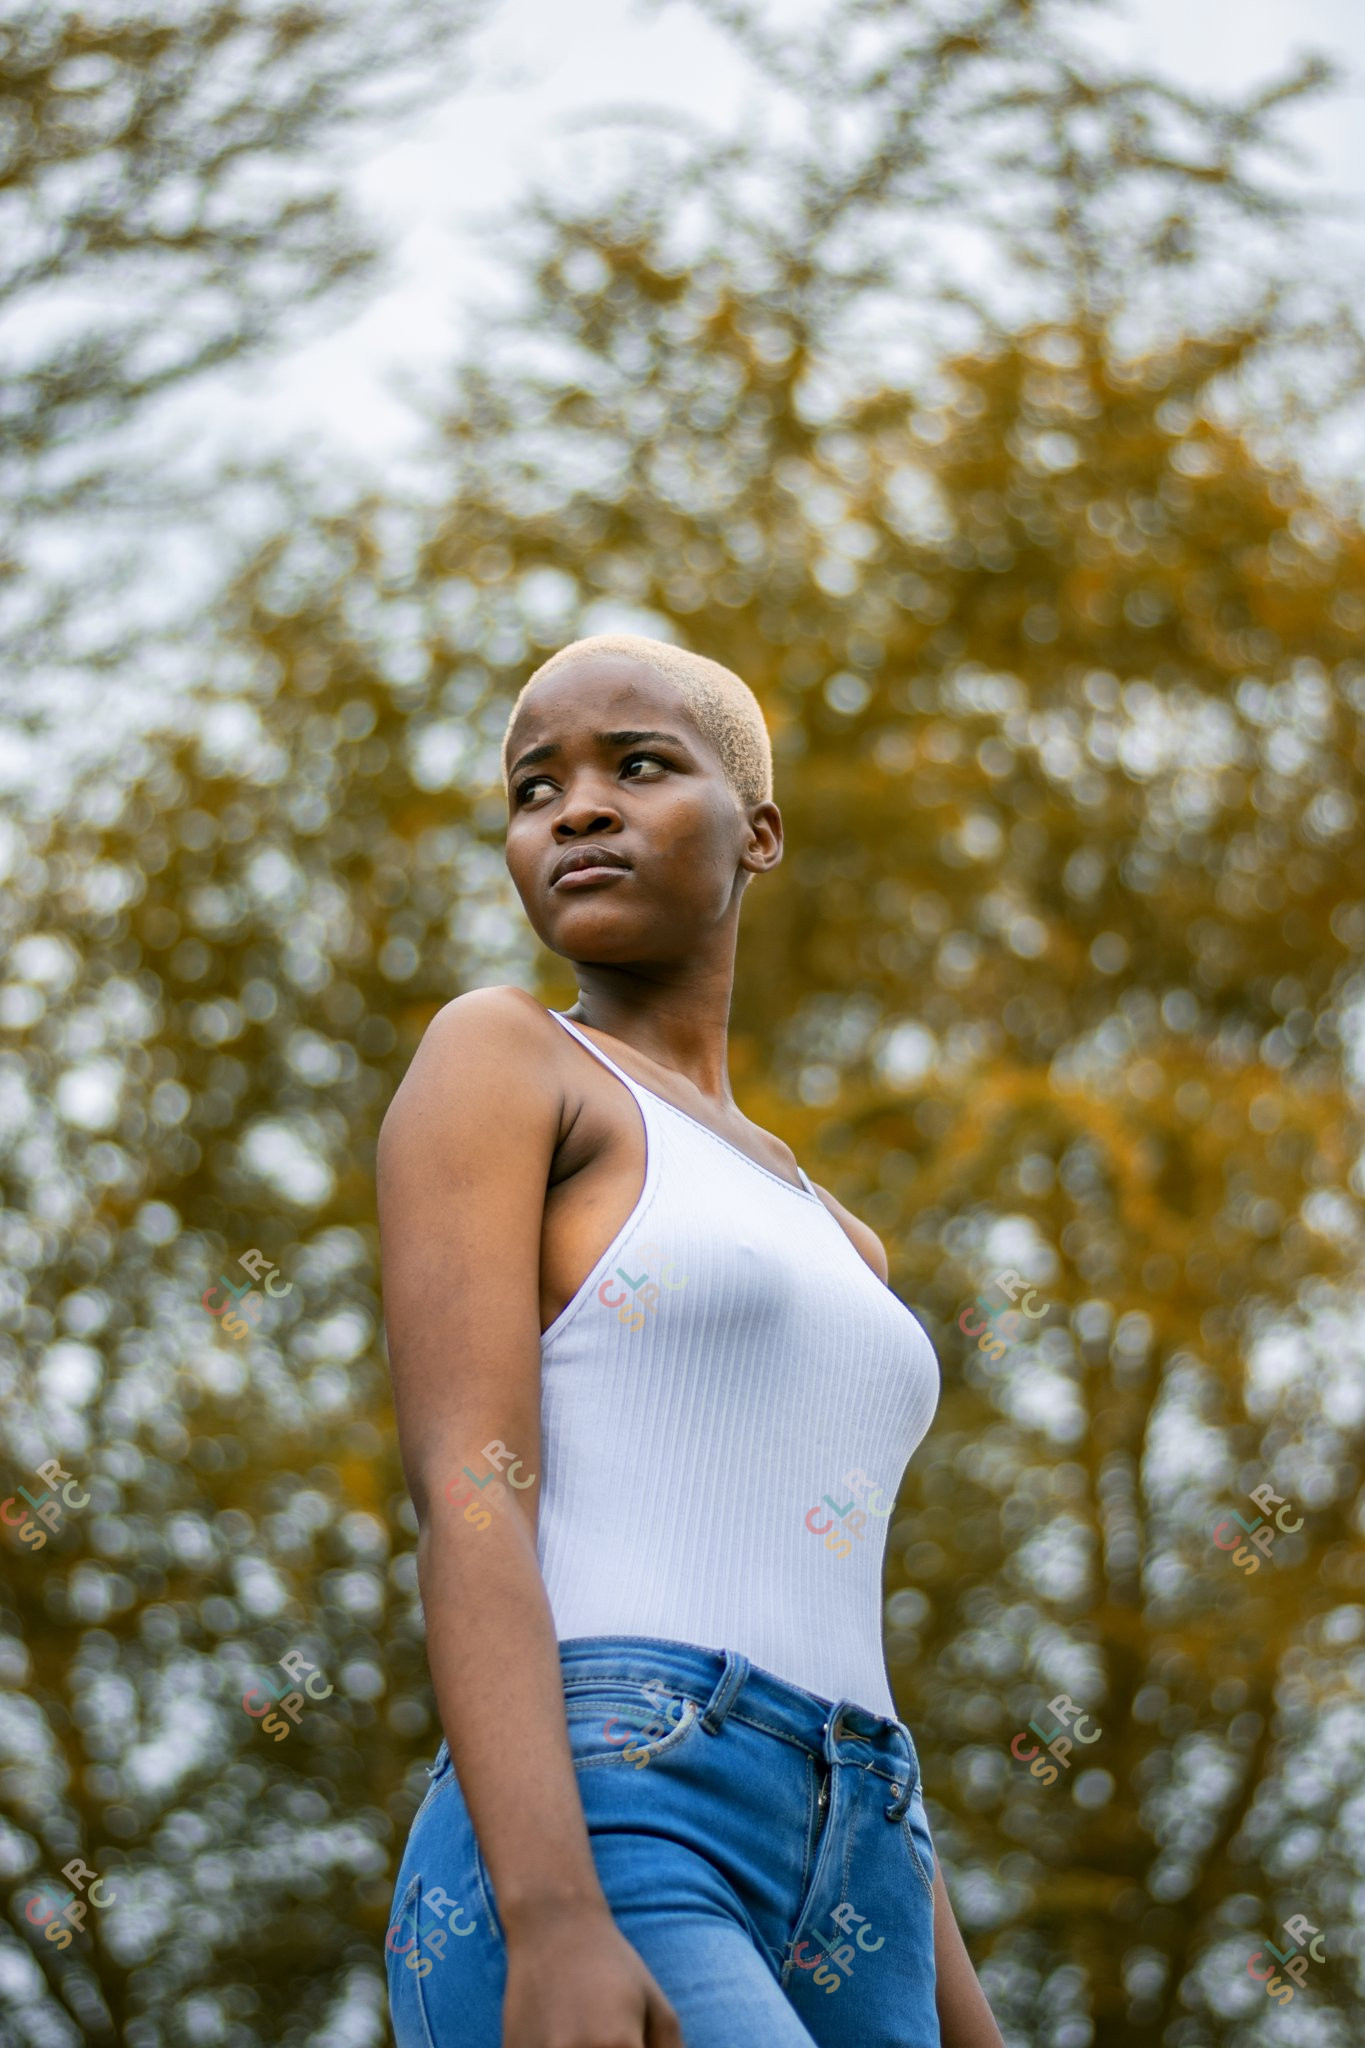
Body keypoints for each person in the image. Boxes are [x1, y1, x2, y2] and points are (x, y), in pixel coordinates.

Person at [378, 634, 1006, 2048]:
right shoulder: (507, 1058)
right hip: (612, 1812)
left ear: (758, 830)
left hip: (865, 1844)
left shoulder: (842, 1237)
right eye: (535, 789)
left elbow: (834, 1625)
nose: (576, 809)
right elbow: (470, 1502)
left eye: (638, 766)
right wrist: (549, 1916)